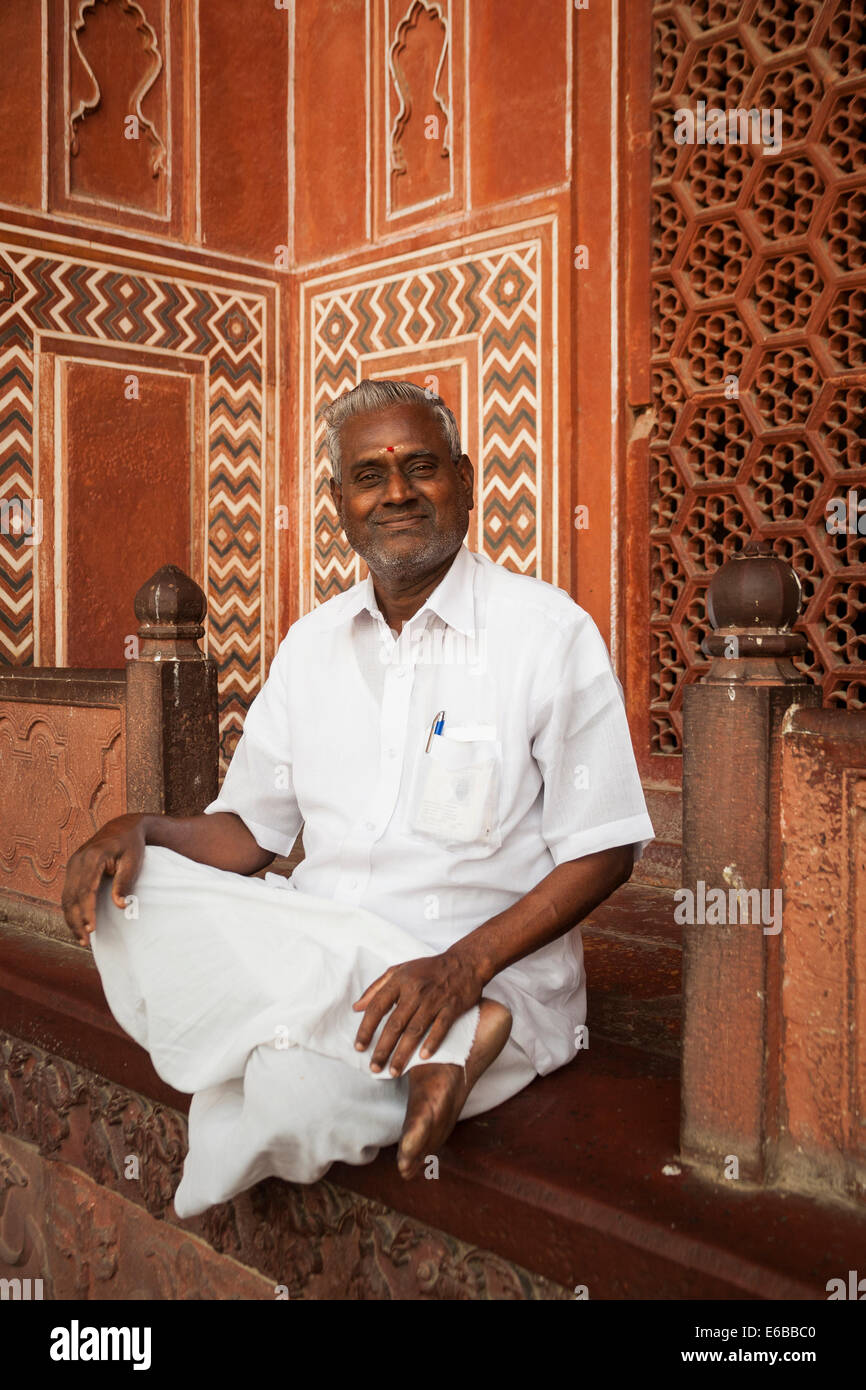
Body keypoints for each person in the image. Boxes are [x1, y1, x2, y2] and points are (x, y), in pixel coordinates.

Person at [62, 378, 654, 1218]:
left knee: (291, 1104)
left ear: (467, 478)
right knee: (137, 892)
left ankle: (458, 1031)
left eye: (421, 467)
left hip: (477, 970)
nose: (398, 493)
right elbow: (252, 835)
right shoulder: (311, 646)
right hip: (325, 954)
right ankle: (393, 1043)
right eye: (370, 477)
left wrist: (465, 967)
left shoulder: (546, 633)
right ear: (339, 503)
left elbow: (607, 846)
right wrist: (142, 827)